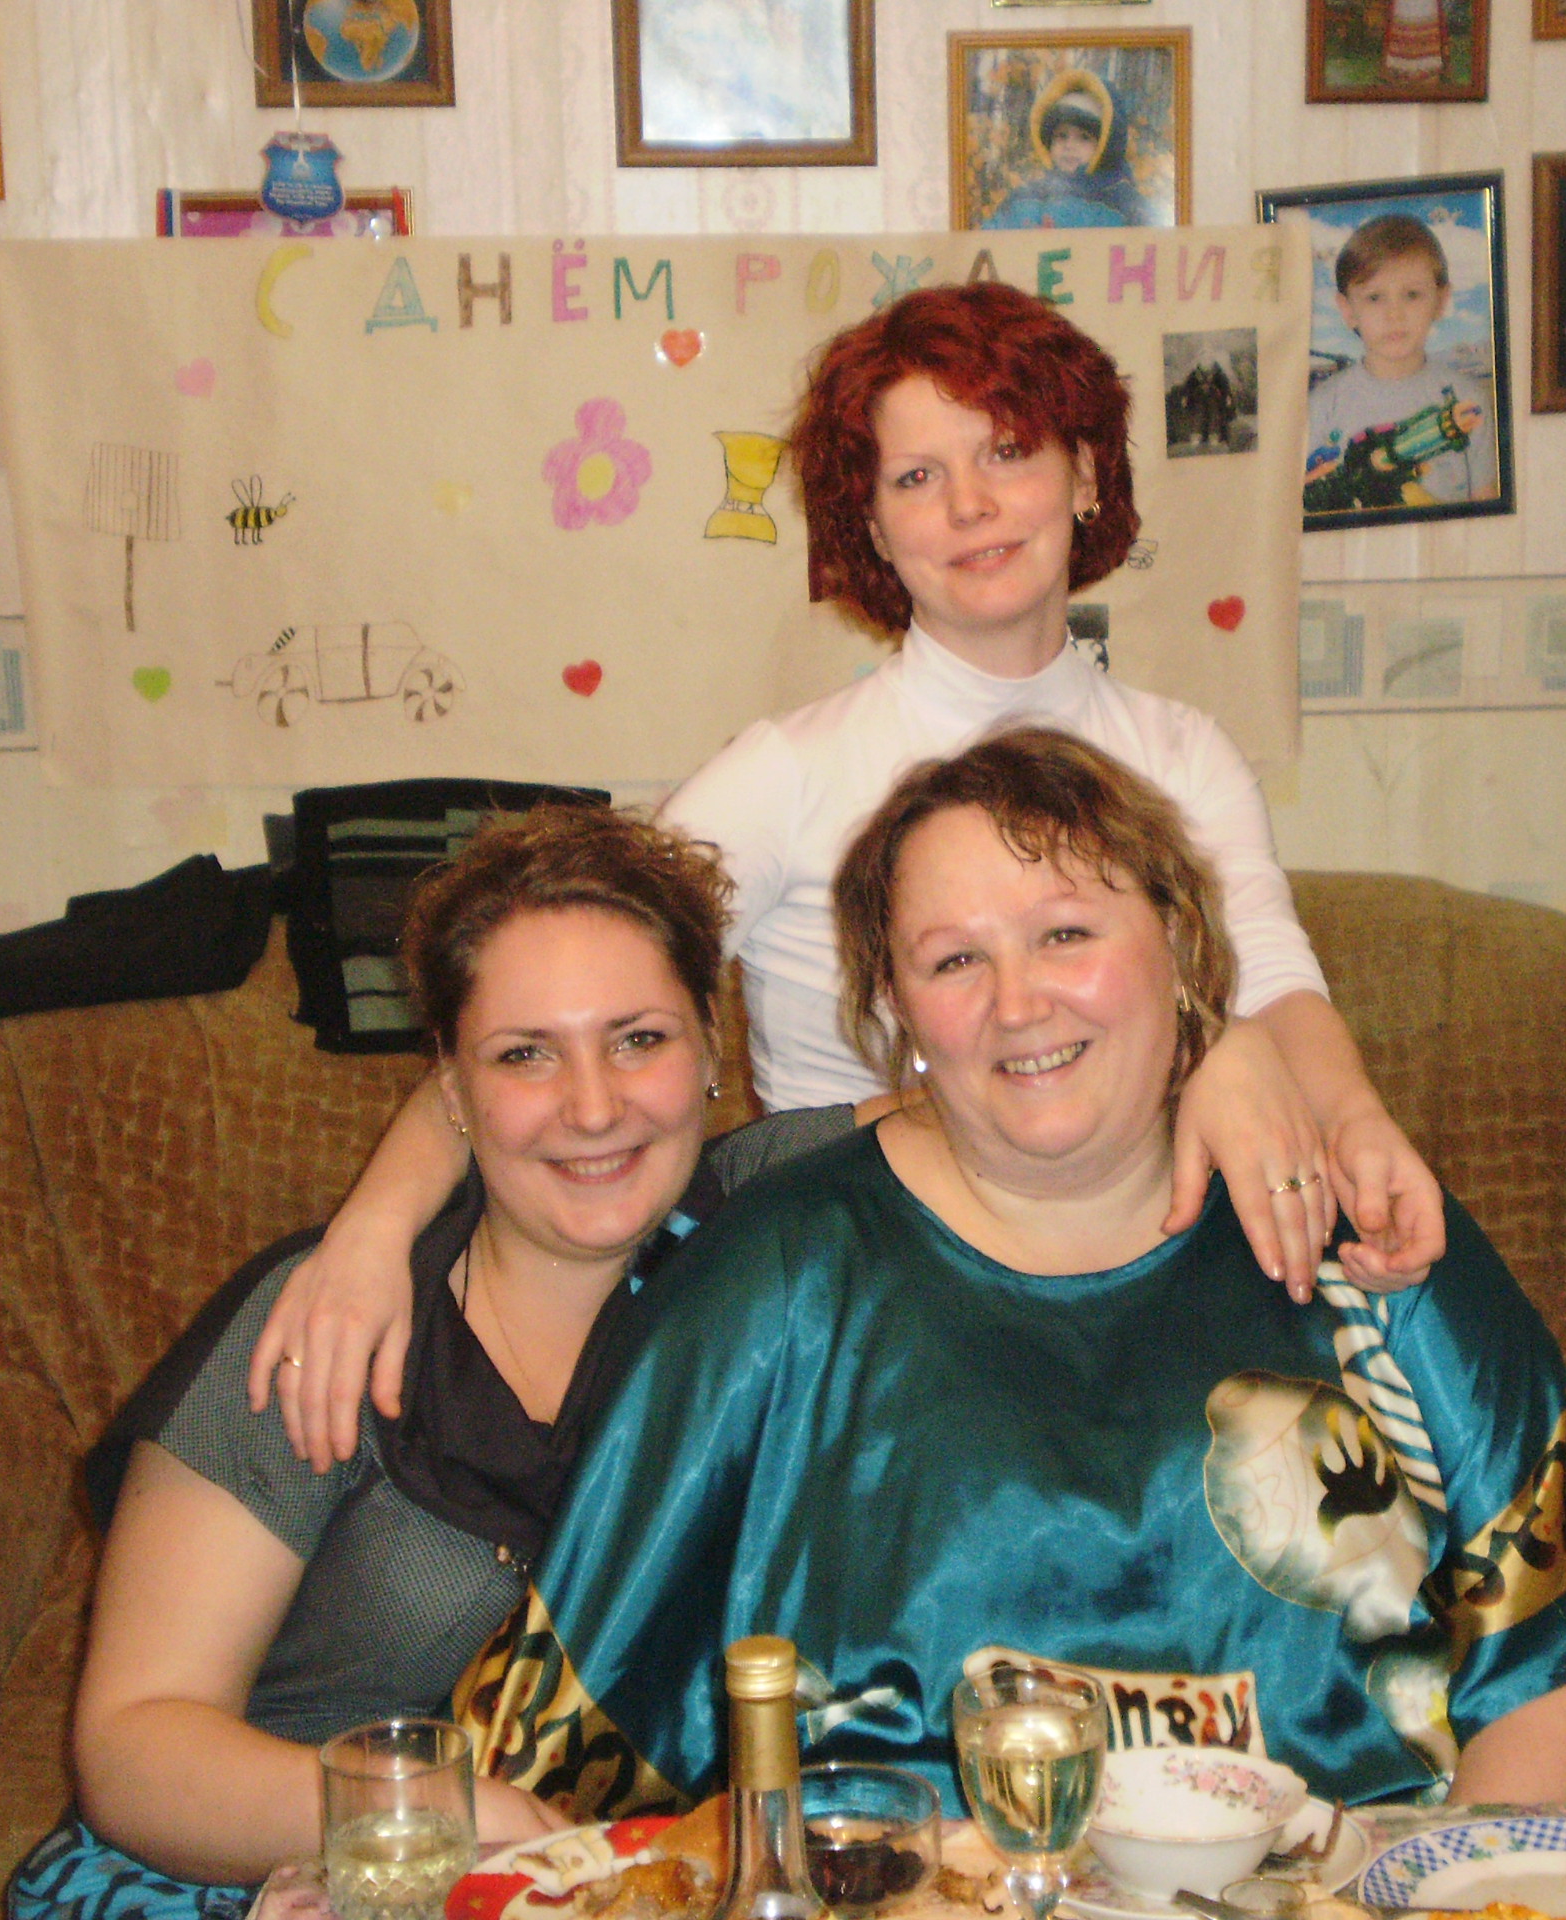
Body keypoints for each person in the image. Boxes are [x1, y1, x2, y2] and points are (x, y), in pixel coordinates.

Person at [252, 280, 1448, 1471]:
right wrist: (371, 1233)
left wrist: (1351, 1120)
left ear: (1086, 475)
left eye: (1008, 451)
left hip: (1141, 1276)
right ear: (869, 527)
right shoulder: (787, 775)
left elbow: (1274, 979)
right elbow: (545, 1002)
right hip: (861, 1302)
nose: (971, 505)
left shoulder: (1184, 756)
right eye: (917, 477)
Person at [454, 729, 1566, 1819]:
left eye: (1065, 934)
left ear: (1180, 942)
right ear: (892, 1005)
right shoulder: (768, 1287)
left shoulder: (1374, 1238)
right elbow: (548, 1752)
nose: (1017, 1004)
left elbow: (1562, 1682)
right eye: (953, 960)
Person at [10, 808, 817, 1917]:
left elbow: (1009, 1102)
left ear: (713, 1047)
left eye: (639, 1040)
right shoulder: (324, 1326)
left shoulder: (774, 1228)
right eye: (525, 1054)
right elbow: (135, 1750)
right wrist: (433, 1814)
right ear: (449, 1085)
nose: (594, 1106)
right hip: (278, 1880)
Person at [1305, 215, 1497, 512]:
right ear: (1347, 310)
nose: (1394, 314)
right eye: (1374, 298)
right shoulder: (1320, 407)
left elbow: (1488, 509)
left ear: (1441, 300)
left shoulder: (1471, 398)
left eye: (1412, 295)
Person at [981, 71, 1146, 229]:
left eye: (1084, 138)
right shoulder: (1024, 200)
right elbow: (990, 238)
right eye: (1061, 136)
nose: (1069, 146)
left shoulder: (1124, 204)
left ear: (1106, 145)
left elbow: (1151, 242)